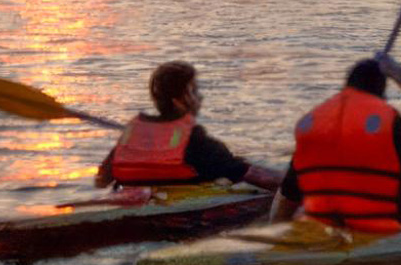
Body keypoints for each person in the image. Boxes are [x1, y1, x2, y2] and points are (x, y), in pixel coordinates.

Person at [271, 52, 401, 231]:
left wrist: (276, 232)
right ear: (381, 95)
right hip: (381, 232)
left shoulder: (312, 130)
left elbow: (287, 196)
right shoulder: (395, 131)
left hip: (326, 231)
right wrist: (395, 71)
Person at [95, 61, 281, 191]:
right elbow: (255, 176)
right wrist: (292, 185)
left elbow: (101, 181)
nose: (200, 97)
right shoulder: (197, 141)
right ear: (178, 101)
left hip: (133, 203)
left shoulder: (132, 134)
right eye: (193, 91)